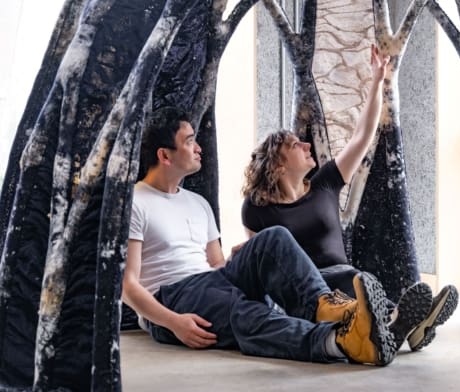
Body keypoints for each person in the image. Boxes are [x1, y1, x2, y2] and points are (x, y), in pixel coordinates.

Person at [122, 106, 398, 366]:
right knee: (243, 311)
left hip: (209, 283)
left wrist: (240, 259)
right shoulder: (135, 202)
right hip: (171, 298)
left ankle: (331, 310)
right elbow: (126, 286)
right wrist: (172, 323)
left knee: (273, 238)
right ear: (165, 156)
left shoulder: (198, 203)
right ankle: (340, 341)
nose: (198, 148)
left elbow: (216, 267)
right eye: (189, 141)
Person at [241, 44, 458, 352]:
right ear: (277, 164)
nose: (306, 146)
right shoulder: (257, 208)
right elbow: (260, 265)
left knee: (357, 280)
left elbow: (362, 136)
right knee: (351, 280)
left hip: (347, 281)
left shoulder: (324, 184)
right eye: (295, 145)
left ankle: (403, 325)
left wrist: (377, 81)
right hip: (307, 294)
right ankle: (404, 321)